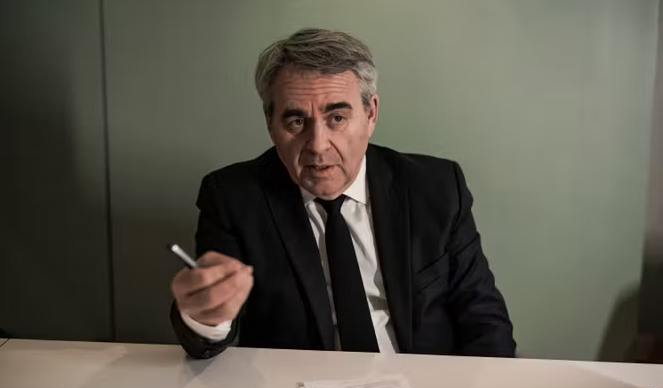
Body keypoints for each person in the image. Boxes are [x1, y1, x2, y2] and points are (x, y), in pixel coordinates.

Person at [170, 28, 516, 359]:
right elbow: (207, 341)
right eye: (296, 122)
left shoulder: (436, 187)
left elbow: (484, 320)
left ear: (370, 114)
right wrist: (207, 315)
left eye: (336, 118)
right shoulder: (231, 198)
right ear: (270, 125)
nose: (318, 146)